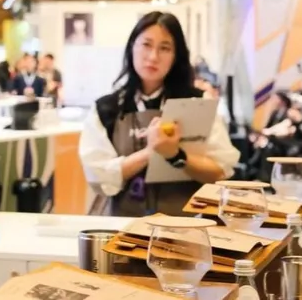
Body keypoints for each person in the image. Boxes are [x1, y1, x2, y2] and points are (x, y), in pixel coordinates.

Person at [77, 11, 240, 217]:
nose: (153, 57)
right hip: (124, 224)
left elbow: (220, 170)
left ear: (176, 56)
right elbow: (98, 174)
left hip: (188, 225)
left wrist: (176, 155)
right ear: (131, 47)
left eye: (165, 48)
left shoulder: (198, 103)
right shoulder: (106, 109)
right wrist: (150, 152)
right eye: (146, 45)